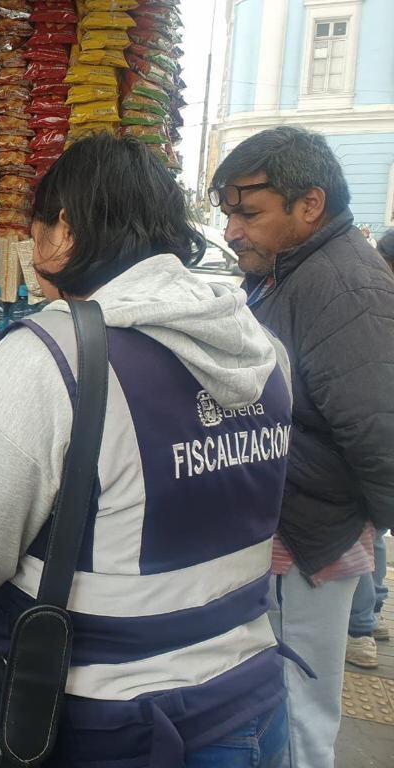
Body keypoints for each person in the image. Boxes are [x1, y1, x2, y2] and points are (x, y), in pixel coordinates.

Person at [0, 134, 294, 767]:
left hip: (116, 731)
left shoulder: (51, 356)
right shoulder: (265, 352)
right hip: (252, 704)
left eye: (36, 229)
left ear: (66, 229)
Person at [211, 126, 394, 768]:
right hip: (295, 531)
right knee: (277, 702)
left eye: (249, 213)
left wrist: (358, 529)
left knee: (298, 712)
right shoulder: (292, 270)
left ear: (309, 204)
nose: (232, 230)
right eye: (228, 213)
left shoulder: (341, 285)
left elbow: (379, 430)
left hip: (309, 540)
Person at [347, 232, 394, 667]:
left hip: (371, 436)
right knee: (373, 533)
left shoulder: (369, 297)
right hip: (379, 435)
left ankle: (362, 627)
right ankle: (373, 612)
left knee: (362, 534)